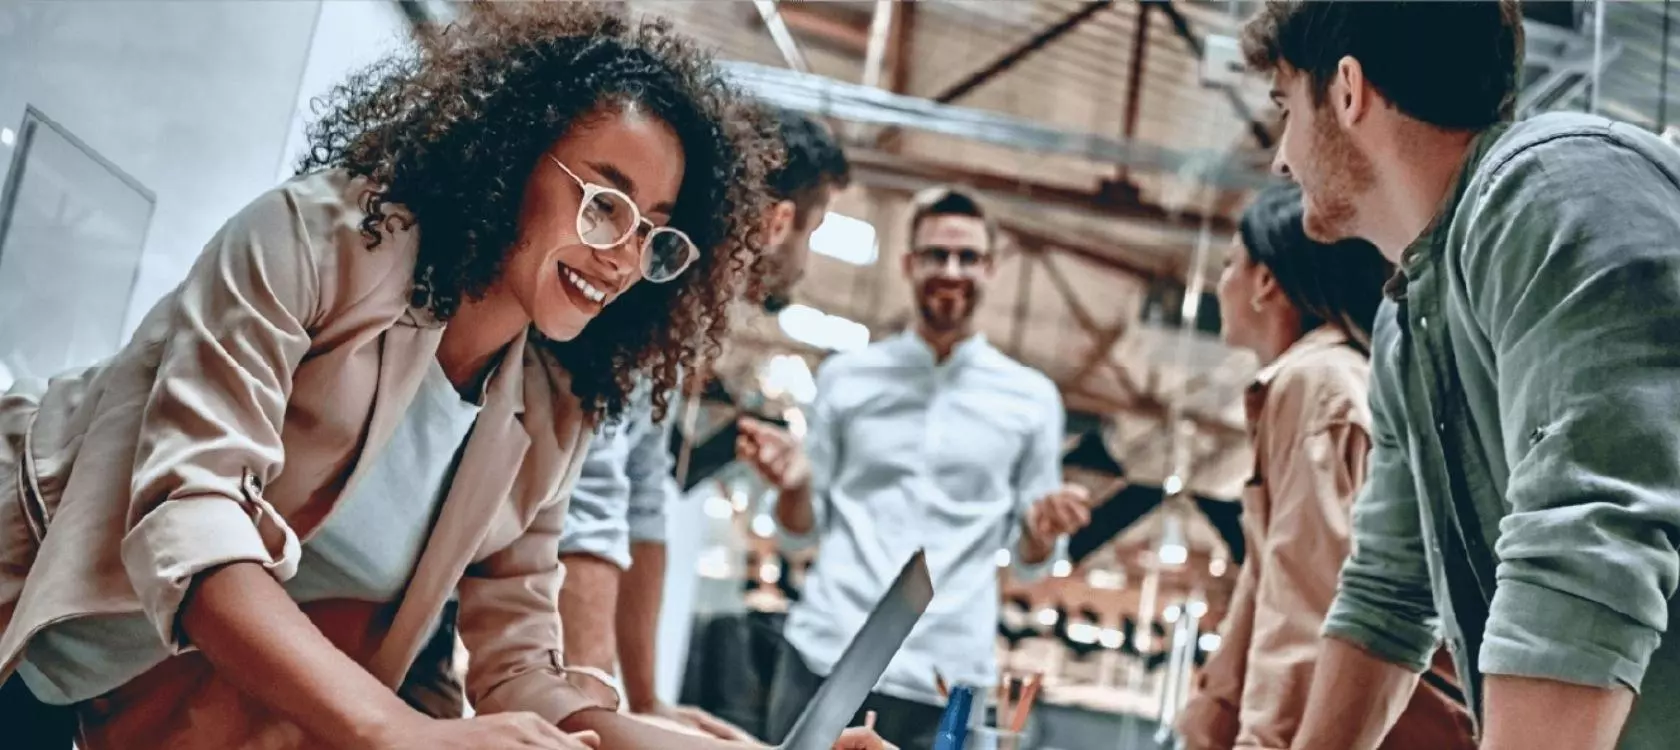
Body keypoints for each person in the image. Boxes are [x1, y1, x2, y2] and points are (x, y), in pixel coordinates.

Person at [0, 5, 889, 750]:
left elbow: (520, 669)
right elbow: (191, 522)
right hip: (27, 626)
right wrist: (397, 731)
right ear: (510, 159)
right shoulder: (314, 244)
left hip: (138, 711)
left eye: (653, 232)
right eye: (605, 203)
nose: (622, 257)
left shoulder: (552, 406)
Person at [1239, 2, 1680, 749]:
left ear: (1347, 91)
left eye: (1287, 107)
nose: (1282, 160)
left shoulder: (1555, 187)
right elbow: (1386, 593)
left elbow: (1585, 549)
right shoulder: (1410, 320)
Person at [738, 186, 1094, 750]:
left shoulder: (1032, 400)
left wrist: (1040, 530)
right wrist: (795, 485)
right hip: (829, 654)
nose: (951, 270)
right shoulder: (847, 378)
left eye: (968, 257)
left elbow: (1031, 562)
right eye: (935, 254)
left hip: (949, 675)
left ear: (991, 268)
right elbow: (798, 527)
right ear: (908, 263)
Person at [546, 105, 852, 740]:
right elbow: (595, 499)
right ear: (779, 221)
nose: (803, 257)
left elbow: (643, 497)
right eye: (813, 232)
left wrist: (647, 699)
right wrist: (601, 714)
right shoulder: (645, 289)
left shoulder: (684, 318)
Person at [1175, 183, 1474, 750]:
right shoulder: (1318, 382)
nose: (1221, 282)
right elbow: (1268, 580)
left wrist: (1261, 740)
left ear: (1266, 282)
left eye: (1229, 263)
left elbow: (1309, 604)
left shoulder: (1318, 386)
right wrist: (1214, 709)